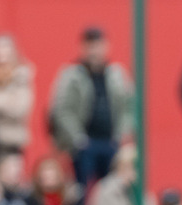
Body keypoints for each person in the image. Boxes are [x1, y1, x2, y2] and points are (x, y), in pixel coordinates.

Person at [48, 27, 134, 187]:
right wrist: (78, 139)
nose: (95, 51)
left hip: (111, 142)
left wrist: (122, 134)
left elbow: (128, 107)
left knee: (111, 187)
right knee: (82, 188)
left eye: (98, 46)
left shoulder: (117, 74)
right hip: (84, 145)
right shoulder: (71, 75)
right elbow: (61, 110)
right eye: (90, 46)